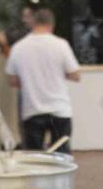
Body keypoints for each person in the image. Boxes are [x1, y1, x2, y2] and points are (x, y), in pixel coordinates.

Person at [4, 8, 80, 152]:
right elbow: (76, 75)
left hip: (32, 110)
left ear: (33, 23)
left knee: (34, 160)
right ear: (52, 25)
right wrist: (57, 74)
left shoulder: (19, 47)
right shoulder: (61, 45)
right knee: (62, 158)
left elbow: (12, 81)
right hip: (59, 110)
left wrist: (29, 80)